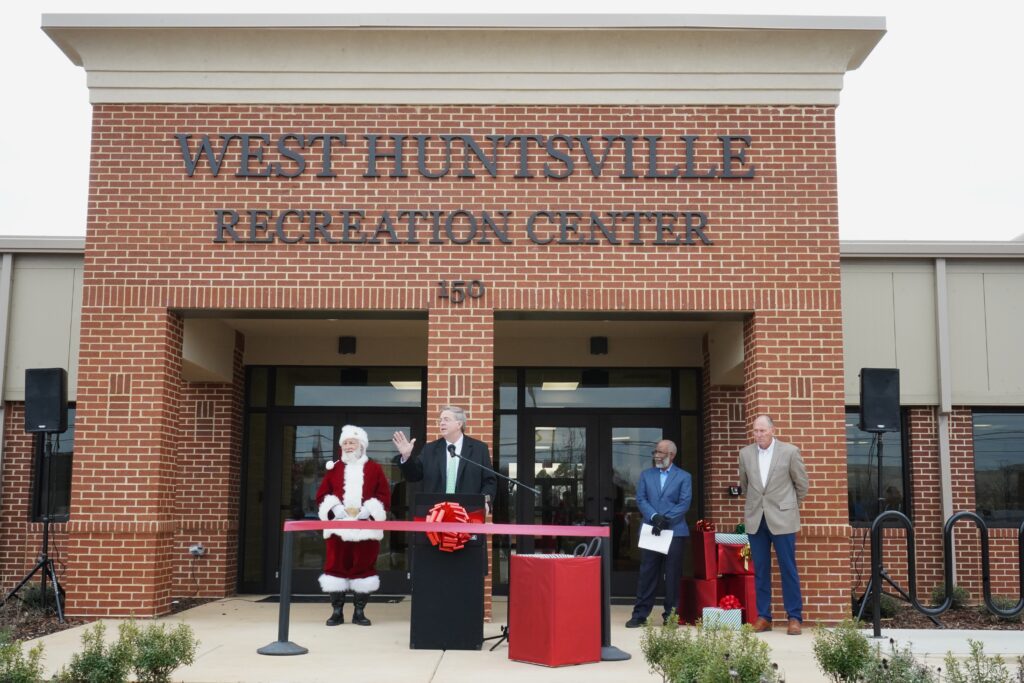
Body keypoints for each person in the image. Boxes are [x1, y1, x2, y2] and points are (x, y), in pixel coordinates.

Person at [738, 414, 809, 635]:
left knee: (788, 568)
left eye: (762, 430)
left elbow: (802, 484)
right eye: (755, 431)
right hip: (756, 520)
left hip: (783, 520)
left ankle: (794, 617)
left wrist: (789, 506)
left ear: (772, 430)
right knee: (760, 570)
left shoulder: (790, 452)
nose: (758, 434)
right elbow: (745, 485)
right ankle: (764, 616)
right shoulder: (745, 453)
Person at [316, 425, 390, 627]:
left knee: (364, 568)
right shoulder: (334, 469)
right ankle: (337, 612)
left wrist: (369, 510)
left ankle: (359, 612)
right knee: (335, 568)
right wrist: (335, 508)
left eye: (352, 443)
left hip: (366, 531)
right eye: (345, 443)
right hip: (338, 530)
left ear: (362, 445)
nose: (348, 446)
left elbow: (384, 495)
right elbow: (321, 495)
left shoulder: (375, 468)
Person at [625, 439, 692, 628]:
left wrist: (666, 519)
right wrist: (655, 517)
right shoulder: (647, 475)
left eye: (660, 452)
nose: (657, 455)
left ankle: (671, 617)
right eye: (655, 452)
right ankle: (639, 615)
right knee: (647, 574)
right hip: (652, 530)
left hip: (674, 532)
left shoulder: (684, 476)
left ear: (672, 455)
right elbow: (641, 499)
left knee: (672, 576)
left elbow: (684, 503)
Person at [391, 405, 497, 505]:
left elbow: (489, 481)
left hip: (468, 510)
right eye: (440, 420)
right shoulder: (430, 449)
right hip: (436, 511)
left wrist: (485, 502)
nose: (442, 423)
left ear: (459, 424)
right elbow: (414, 476)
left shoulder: (479, 449)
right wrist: (406, 456)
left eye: (446, 420)